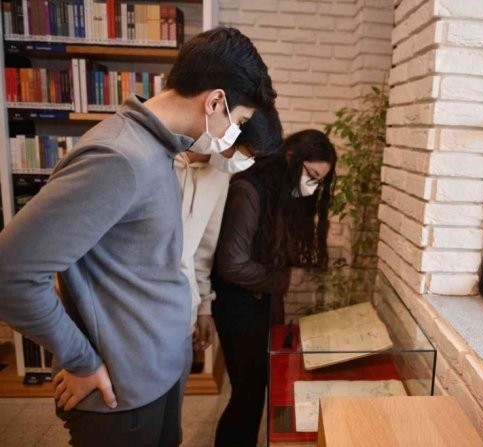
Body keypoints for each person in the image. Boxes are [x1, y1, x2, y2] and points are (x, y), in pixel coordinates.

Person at [0, 26, 275, 447]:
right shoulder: (118, 156)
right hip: (121, 392)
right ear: (215, 101)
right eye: (237, 123)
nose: (233, 136)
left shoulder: (157, 149)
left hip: (157, 371)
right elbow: (12, 273)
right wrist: (80, 358)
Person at [211, 129, 337, 447]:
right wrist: (282, 280)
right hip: (239, 305)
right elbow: (232, 264)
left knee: (256, 390)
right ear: (291, 158)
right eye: (311, 176)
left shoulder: (283, 193)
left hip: (262, 301)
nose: (313, 186)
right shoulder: (249, 189)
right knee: (247, 393)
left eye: (320, 181)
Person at [177, 108, 283, 353]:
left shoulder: (220, 174)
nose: (246, 162)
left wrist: (203, 307)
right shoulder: (162, 163)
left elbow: (203, 249)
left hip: (184, 313)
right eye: (247, 153)